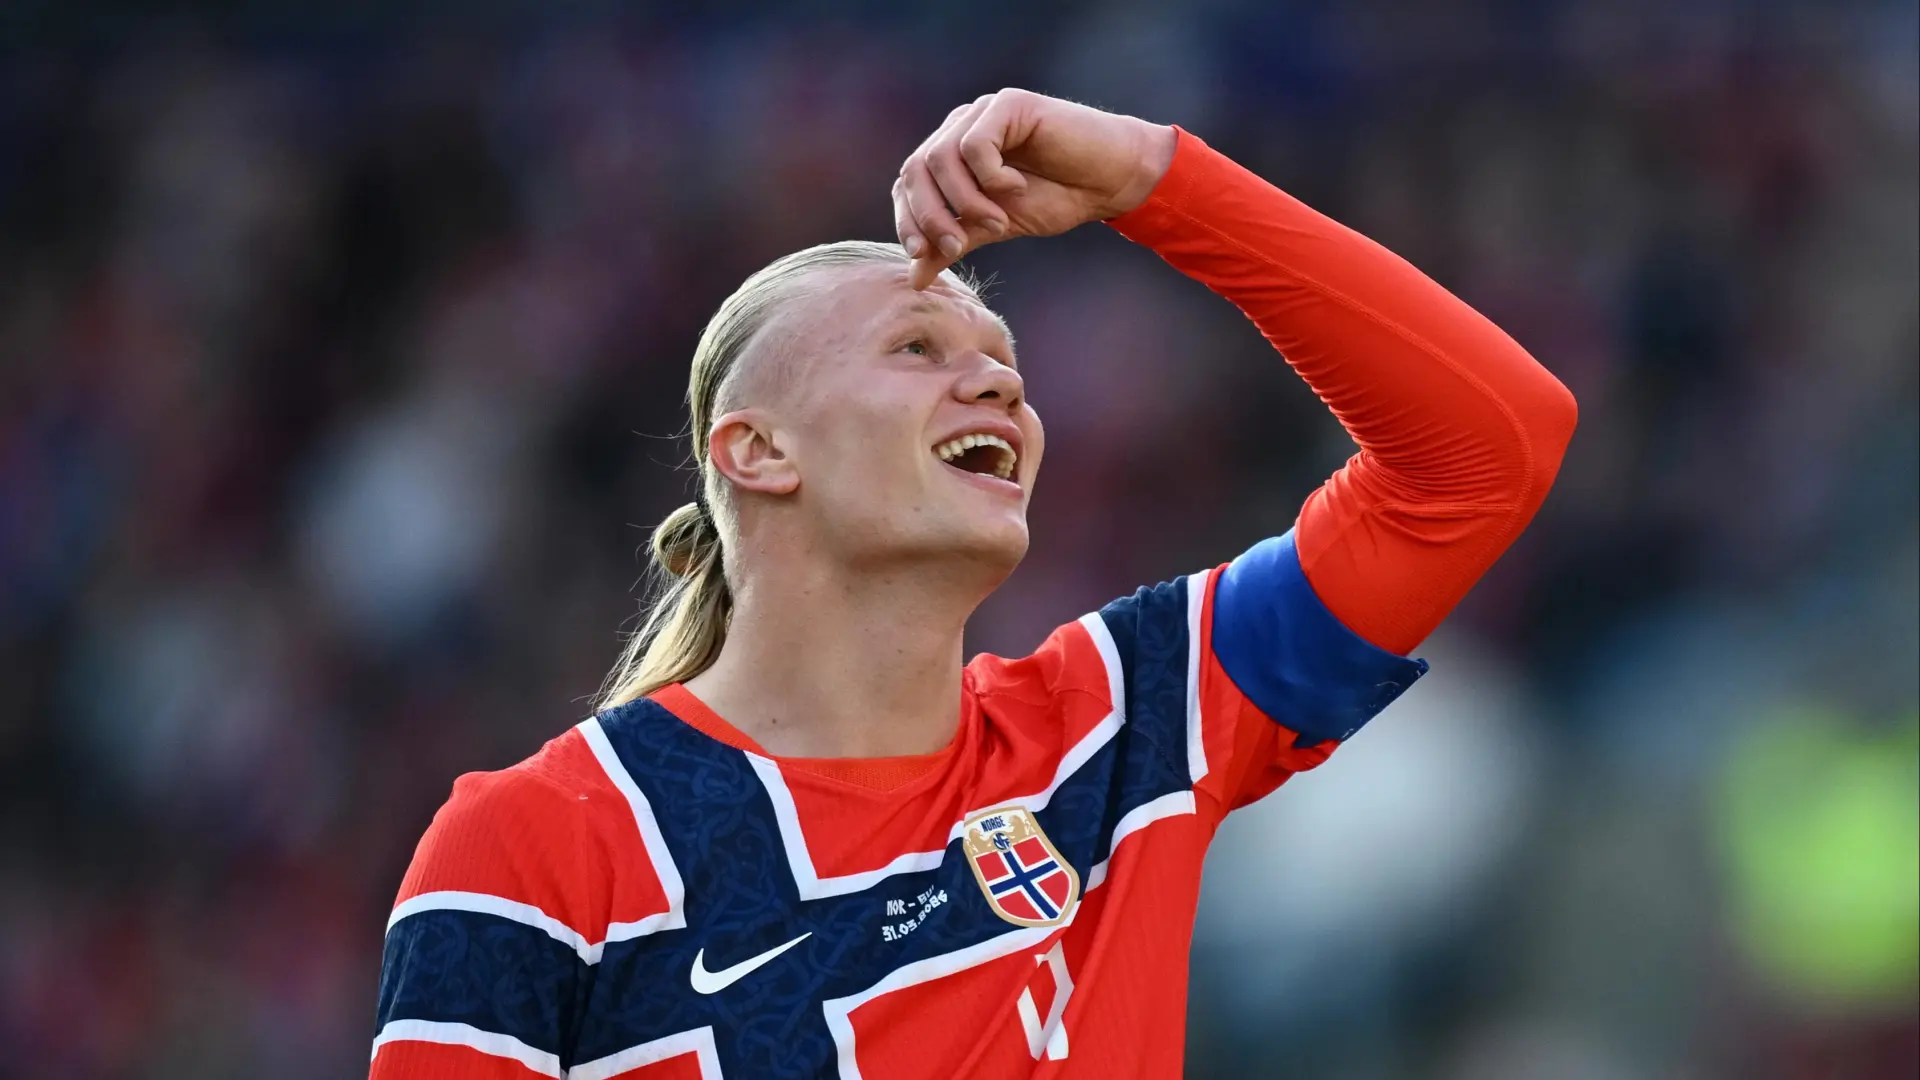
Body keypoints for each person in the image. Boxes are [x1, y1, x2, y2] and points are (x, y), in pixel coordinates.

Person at [369, 89, 1576, 1079]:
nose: (999, 385)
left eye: (1006, 364)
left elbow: (1489, 449)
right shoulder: (538, 844)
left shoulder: (1127, 729)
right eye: (917, 348)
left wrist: (1151, 180)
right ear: (758, 451)